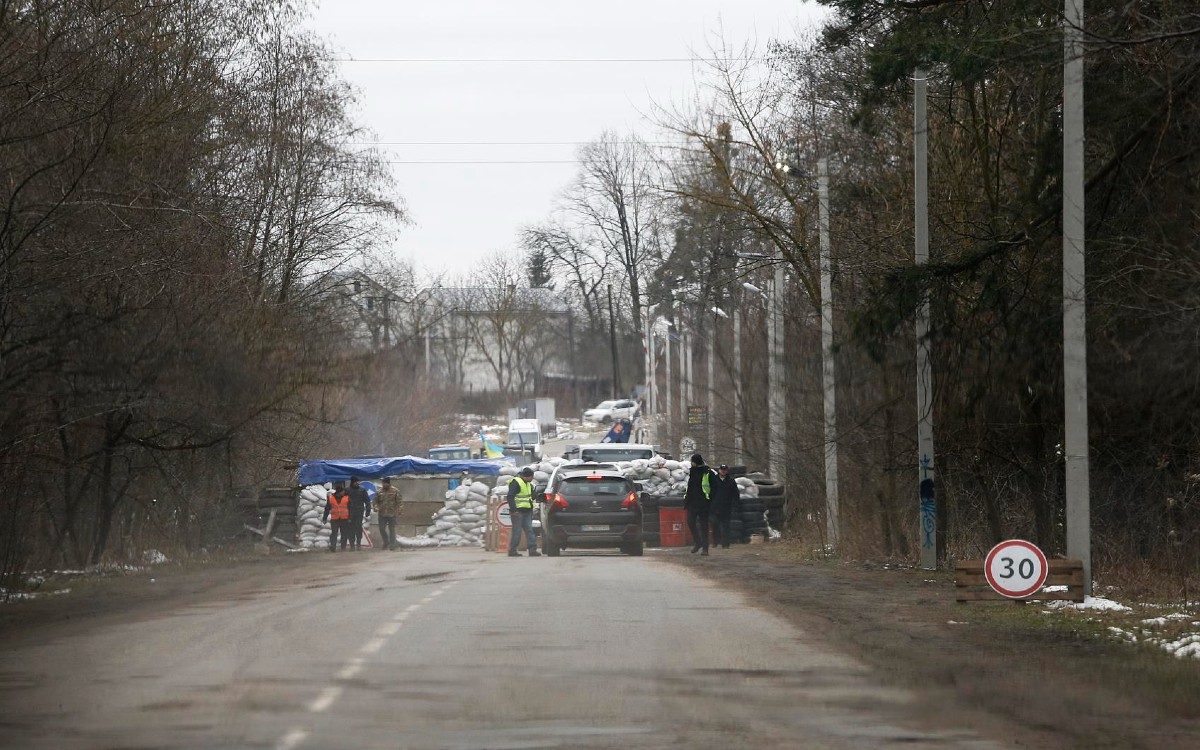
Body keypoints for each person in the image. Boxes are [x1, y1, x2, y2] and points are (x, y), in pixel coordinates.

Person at [684, 453, 716, 555]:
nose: (691, 463)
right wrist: (686, 501)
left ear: (696, 462)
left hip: (704, 503)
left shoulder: (707, 472)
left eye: (692, 461)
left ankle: (705, 548)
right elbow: (690, 487)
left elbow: (714, 487)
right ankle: (698, 542)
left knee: (704, 526)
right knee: (690, 521)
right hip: (693, 503)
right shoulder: (692, 472)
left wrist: (711, 500)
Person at [507, 467, 541, 557]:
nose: (532, 478)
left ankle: (532, 550)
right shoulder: (516, 483)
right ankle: (512, 550)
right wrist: (513, 510)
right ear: (527, 476)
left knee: (530, 531)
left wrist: (536, 495)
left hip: (527, 511)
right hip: (518, 512)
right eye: (531, 477)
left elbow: (531, 497)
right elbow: (510, 496)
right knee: (517, 531)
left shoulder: (529, 485)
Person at [711, 464, 740, 549]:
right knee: (715, 525)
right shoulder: (713, 480)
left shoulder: (731, 481)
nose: (723, 471)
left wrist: (736, 505)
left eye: (725, 469)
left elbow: (736, 494)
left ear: (727, 471)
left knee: (726, 526)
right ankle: (715, 542)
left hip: (726, 507)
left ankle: (725, 544)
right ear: (719, 470)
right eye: (722, 469)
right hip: (715, 507)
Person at [322, 482, 352, 552]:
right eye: (342, 491)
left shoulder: (347, 498)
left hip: (344, 518)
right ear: (339, 492)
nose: (344, 492)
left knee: (344, 533)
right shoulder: (331, 498)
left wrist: (350, 518)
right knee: (334, 533)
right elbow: (327, 509)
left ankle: (343, 547)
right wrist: (324, 518)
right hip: (335, 519)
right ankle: (333, 546)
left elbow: (351, 508)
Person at [374, 477, 402, 550]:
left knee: (392, 529)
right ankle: (386, 541)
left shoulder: (395, 491)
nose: (384, 485)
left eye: (385, 483)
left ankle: (392, 545)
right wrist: (376, 507)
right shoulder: (379, 492)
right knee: (382, 529)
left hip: (392, 513)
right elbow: (375, 502)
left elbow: (399, 502)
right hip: (382, 514)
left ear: (389, 483)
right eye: (383, 483)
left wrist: (400, 510)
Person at [347, 477, 371, 550]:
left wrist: (368, 511)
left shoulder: (362, 490)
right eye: (355, 482)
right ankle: (352, 545)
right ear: (352, 482)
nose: (357, 483)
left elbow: (367, 501)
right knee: (351, 529)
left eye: (358, 482)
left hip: (359, 512)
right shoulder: (347, 490)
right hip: (349, 513)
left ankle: (358, 544)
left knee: (358, 527)